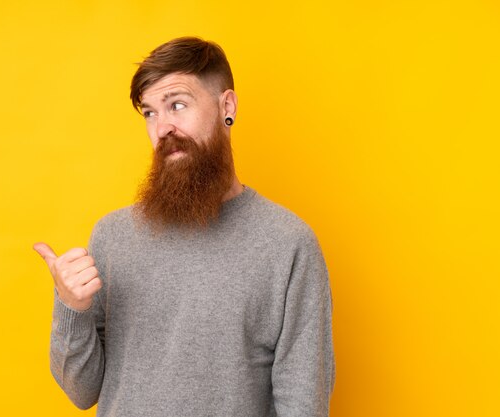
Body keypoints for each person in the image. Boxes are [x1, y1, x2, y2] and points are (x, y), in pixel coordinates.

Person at [34, 36, 335, 417]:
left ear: (227, 107)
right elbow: (82, 391)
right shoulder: (112, 237)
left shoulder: (288, 245)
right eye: (150, 113)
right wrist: (71, 307)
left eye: (177, 105)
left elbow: (303, 404)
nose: (162, 128)